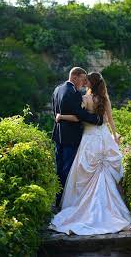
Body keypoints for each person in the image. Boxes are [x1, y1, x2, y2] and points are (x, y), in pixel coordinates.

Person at [49, 72, 131, 235]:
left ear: (91, 83)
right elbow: (110, 120)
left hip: (88, 139)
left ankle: (78, 205)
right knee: (105, 172)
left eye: (87, 80)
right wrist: (115, 135)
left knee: (83, 173)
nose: (85, 82)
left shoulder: (85, 99)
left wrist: (60, 116)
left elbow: (78, 118)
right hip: (103, 137)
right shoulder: (104, 99)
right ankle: (109, 207)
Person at [52, 67, 103, 208]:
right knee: (68, 169)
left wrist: (61, 118)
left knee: (60, 168)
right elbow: (79, 114)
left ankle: (58, 200)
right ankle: (65, 203)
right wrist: (97, 120)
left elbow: (54, 112)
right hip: (71, 137)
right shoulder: (73, 93)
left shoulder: (57, 89)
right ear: (74, 77)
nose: (84, 82)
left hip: (58, 136)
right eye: (82, 78)